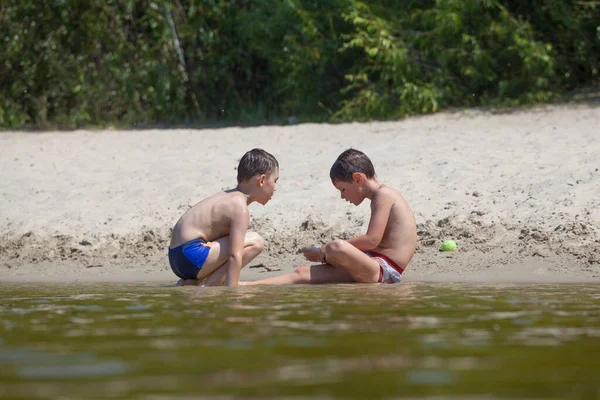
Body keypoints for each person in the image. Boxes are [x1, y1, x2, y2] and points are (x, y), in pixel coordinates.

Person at [242, 148, 416, 285]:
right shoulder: (380, 196)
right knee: (302, 273)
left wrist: (324, 251)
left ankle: (324, 254)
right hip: (371, 263)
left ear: (358, 179)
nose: (343, 197)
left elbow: (372, 240)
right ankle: (244, 286)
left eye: (343, 189)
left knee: (336, 247)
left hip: (385, 270)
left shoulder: (384, 195)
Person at [168, 148, 279, 287]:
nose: (275, 188)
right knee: (256, 242)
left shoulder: (228, 196)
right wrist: (232, 291)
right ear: (262, 180)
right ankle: (208, 286)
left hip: (176, 257)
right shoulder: (239, 207)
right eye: (275, 181)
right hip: (191, 255)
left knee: (233, 242)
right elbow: (234, 256)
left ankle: (189, 283)